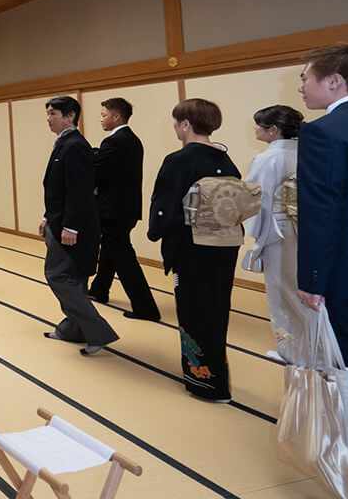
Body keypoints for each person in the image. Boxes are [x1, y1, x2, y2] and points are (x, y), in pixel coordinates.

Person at [296, 43, 348, 474]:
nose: (301, 88)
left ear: (335, 81)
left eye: (305, 78)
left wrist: (312, 279)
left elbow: (322, 212)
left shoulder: (324, 132)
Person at [147, 98, 241, 402]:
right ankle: (218, 376)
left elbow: (165, 204)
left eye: (176, 123)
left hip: (193, 246)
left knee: (194, 312)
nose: (176, 128)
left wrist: (156, 230)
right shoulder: (225, 158)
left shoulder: (179, 159)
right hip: (225, 245)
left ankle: (206, 383)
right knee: (217, 308)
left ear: (185, 124)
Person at [40, 96, 117, 356]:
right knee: (73, 277)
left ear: (70, 115)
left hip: (73, 225)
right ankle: (74, 329)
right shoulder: (65, 143)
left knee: (58, 275)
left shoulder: (75, 145)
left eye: (53, 113)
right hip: (60, 220)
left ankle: (98, 331)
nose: (48, 118)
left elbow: (80, 190)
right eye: (48, 114)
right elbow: (58, 190)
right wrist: (47, 216)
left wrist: (70, 227)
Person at [244, 104, 307, 363]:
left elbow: (256, 201)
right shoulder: (306, 152)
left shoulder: (267, 158)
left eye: (259, 124)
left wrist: (256, 237)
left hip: (279, 231)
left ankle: (293, 352)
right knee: (306, 292)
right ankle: (316, 349)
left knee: (283, 293)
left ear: (273, 130)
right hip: (307, 229)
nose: (255, 128)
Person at [88, 98, 160, 321]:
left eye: (104, 115)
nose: (101, 119)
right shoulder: (133, 140)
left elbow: (97, 174)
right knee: (110, 250)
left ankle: (146, 308)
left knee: (123, 257)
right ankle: (99, 290)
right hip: (126, 208)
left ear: (117, 117)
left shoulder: (114, 142)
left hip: (113, 210)